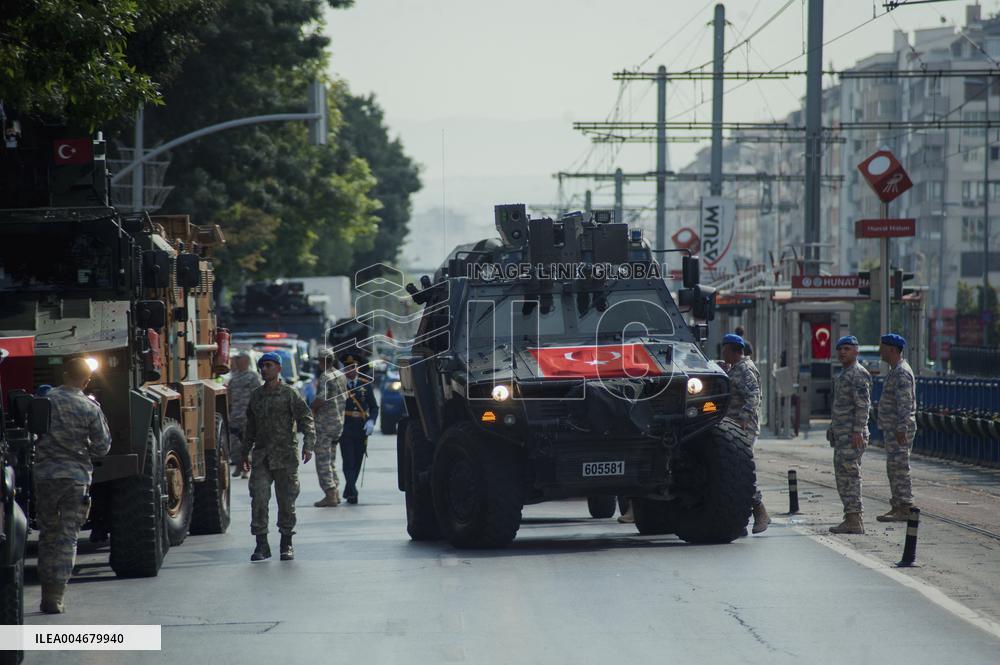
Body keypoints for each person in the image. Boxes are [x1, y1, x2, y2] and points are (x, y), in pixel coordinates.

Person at [34, 358, 111, 613]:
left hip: (45, 477)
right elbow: (102, 447)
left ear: (64, 374)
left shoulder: (44, 401)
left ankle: (46, 590)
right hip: (75, 478)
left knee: (47, 534)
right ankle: (56, 596)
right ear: (87, 380)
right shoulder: (89, 407)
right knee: (67, 538)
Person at [242, 351, 316, 561]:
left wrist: (308, 445)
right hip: (262, 456)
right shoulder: (256, 395)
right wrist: (243, 454)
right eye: (262, 366)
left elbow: (306, 419)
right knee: (259, 498)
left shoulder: (289, 394)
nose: (264, 369)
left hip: (285, 457)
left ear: (278, 369)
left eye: (269, 365)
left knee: (286, 502)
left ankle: (286, 543)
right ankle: (261, 545)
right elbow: (250, 427)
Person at [721, 333, 770, 534]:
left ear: (734, 350)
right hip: (733, 428)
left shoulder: (745, 370)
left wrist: (742, 419)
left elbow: (753, 397)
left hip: (743, 428)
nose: (723, 353)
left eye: (725, 350)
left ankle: (760, 512)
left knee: (742, 472)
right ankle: (739, 521)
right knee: (732, 474)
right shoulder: (736, 369)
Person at [826, 336, 871, 535]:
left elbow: (863, 406)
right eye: (840, 349)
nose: (842, 352)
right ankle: (850, 517)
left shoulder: (858, 374)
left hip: (852, 435)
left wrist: (857, 430)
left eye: (846, 349)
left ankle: (854, 518)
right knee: (842, 476)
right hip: (842, 434)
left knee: (850, 476)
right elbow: (840, 405)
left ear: (855, 351)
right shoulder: (844, 374)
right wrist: (832, 427)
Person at [875, 333, 917, 522]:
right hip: (893, 428)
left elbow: (905, 403)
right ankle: (898, 505)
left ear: (891, 349)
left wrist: (902, 428)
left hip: (900, 429)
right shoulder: (895, 370)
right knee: (893, 467)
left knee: (900, 467)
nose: (879, 350)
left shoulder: (901, 372)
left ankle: (905, 506)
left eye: (882, 346)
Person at [338, 353, 379, 505]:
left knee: (357, 461)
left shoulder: (365, 385)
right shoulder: (339, 386)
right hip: (345, 428)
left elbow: (374, 407)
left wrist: (372, 421)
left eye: (354, 367)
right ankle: (353, 491)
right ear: (344, 369)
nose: (352, 370)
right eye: (348, 367)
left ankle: (349, 489)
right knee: (348, 461)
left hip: (361, 428)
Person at [311, 348, 347, 507]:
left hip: (325, 423)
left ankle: (330, 493)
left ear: (322, 361)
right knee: (331, 459)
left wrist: (309, 410)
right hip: (338, 422)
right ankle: (336, 492)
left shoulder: (325, 376)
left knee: (323, 460)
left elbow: (320, 399)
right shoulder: (341, 375)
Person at [228, 349, 263, 479]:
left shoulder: (252, 377)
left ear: (246, 362)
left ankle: (245, 469)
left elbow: (258, 395)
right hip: (235, 415)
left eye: (240, 360)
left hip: (248, 416)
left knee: (247, 444)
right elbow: (229, 395)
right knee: (235, 444)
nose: (237, 363)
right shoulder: (234, 377)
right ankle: (238, 465)